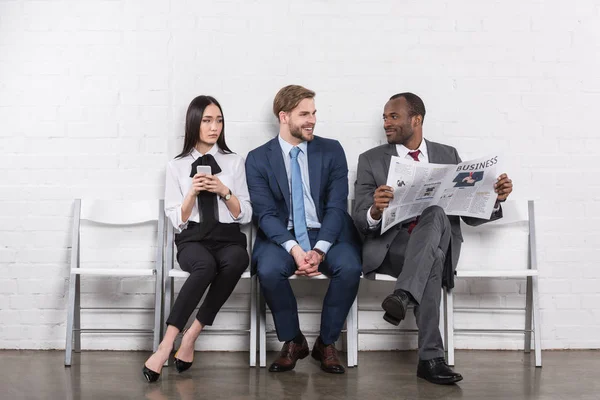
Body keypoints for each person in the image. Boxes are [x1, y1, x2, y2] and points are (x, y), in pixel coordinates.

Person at [353, 92, 513, 385]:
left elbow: (469, 213)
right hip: (392, 247)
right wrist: (375, 209)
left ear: (417, 120)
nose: (387, 123)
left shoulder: (447, 155)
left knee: (437, 215)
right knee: (433, 260)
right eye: (385, 118)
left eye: (394, 117)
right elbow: (359, 218)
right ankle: (430, 359)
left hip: (435, 241)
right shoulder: (371, 161)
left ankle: (403, 296)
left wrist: (495, 198)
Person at [245, 85, 362, 374]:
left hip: (327, 233)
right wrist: (296, 250)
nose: (312, 120)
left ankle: (326, 342)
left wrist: (320, 249)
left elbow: (336, 207)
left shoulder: (331, 150)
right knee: (269, 270)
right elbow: (266, 214)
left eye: (314, 113)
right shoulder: (258, 158)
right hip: (281, 237)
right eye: (304, 114)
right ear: (283, 116)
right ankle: (294, 340)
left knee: (349, 266)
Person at [143, 95, 252, 382]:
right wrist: (191, 193)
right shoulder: (176, 167)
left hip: (228, 238)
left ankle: (192, 336)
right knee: (205, 266)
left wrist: (224, 191)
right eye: (207, 120)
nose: (214, 127)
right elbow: (177, 220)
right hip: (192, 240)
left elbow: (247, 214)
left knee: (238, 259)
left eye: (218, 120)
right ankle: (167, 345)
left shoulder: (235, 162)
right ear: (194, 123)